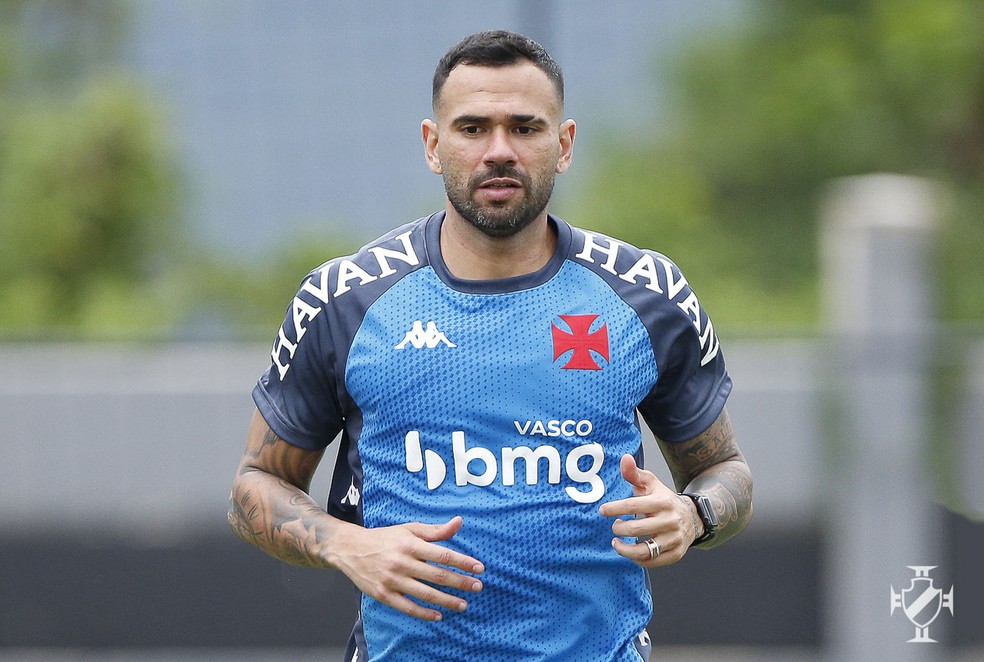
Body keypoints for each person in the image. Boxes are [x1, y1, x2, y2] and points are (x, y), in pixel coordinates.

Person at [228, 29, 753, 661]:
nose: (499, 151)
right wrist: (345, 543)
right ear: (433, 145)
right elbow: (254, 487)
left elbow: (727, 472)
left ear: (564, 145)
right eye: (473, 128)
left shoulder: (646, 294)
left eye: (525, 128)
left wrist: (694, 515)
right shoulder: (346, 299)